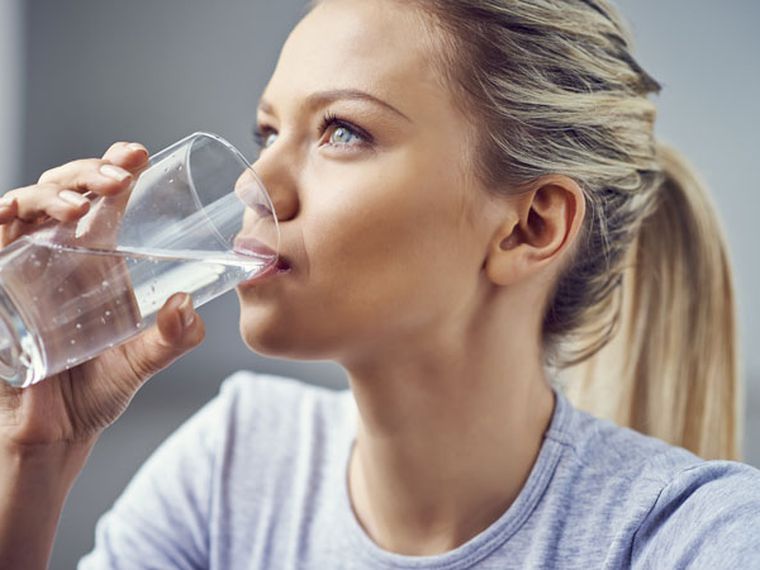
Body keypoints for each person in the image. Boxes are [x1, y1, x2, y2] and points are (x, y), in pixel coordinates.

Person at [1, 0, 759, 567]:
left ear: (530, 227)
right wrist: (32, 458)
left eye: (343, 131)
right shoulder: (236, 465)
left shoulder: (699, 537)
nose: (253, 185)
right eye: (269, 132)